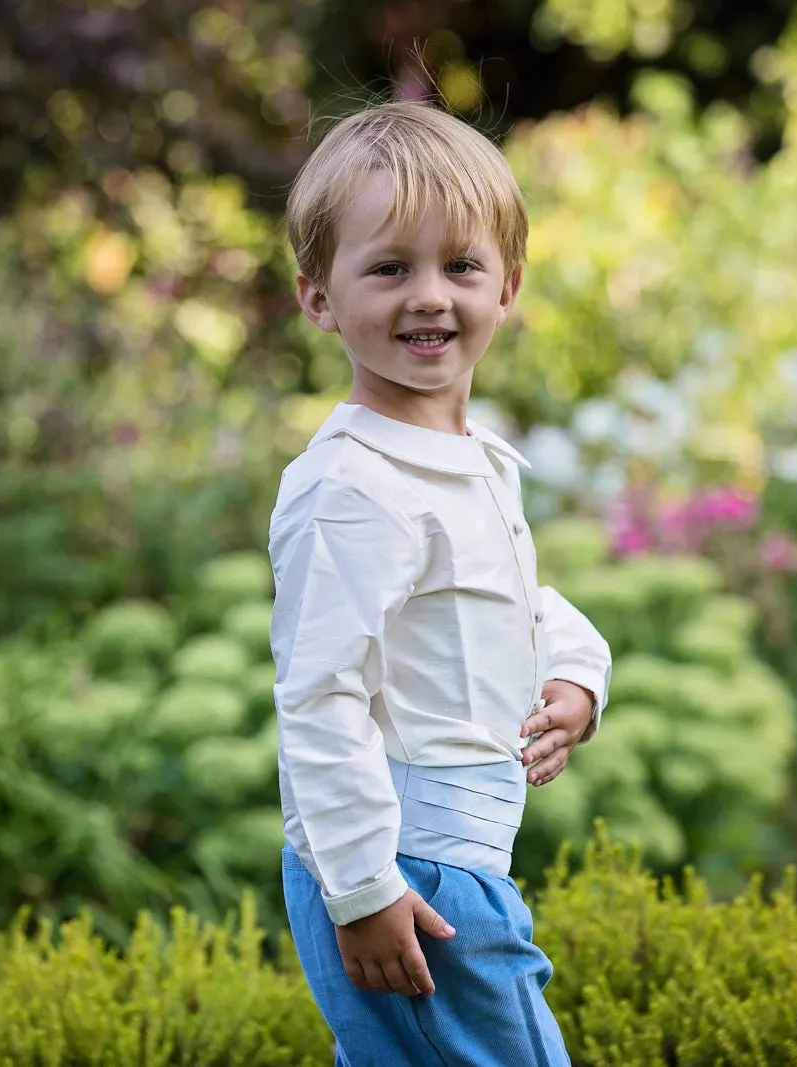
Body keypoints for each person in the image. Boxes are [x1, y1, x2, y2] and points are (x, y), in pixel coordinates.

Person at [268, 100, 612, 1067]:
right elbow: (319, 697)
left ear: (507, 286)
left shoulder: (464, 460)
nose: (429, 295)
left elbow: (516, 600)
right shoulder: (353, 488)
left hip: (447, 858)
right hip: (406, 862)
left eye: (459, 265)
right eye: (389, 267)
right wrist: (365, 888)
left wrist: (580, 677)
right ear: (318, 297)